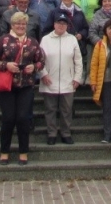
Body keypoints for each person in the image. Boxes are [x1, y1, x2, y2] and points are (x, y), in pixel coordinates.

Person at [0, 12, 45, 166]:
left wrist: (34, 67)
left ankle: (23, 152)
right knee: (8, 118)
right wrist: (6, 65)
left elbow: (41, 60)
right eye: (17, 24)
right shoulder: (3, 40)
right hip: (7, 85)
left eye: (23, 24)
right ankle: (4, 152)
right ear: (12, 25)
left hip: (26, 85)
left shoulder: (32, 42)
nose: (20, 26)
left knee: (22, 118)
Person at [39, 12, 83, 145]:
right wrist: (43, 74)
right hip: (49, 80)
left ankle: (66, 133)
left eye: (64, 24)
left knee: (66, 110)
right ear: (54, 24)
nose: (61, 26)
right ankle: (51, 133)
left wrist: (77, 77)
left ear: (67, 26)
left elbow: (78, 60)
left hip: (68, 80)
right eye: (59, 23)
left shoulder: (72, 39)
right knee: (50, 109)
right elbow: (40, 60)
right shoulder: (45, 39)